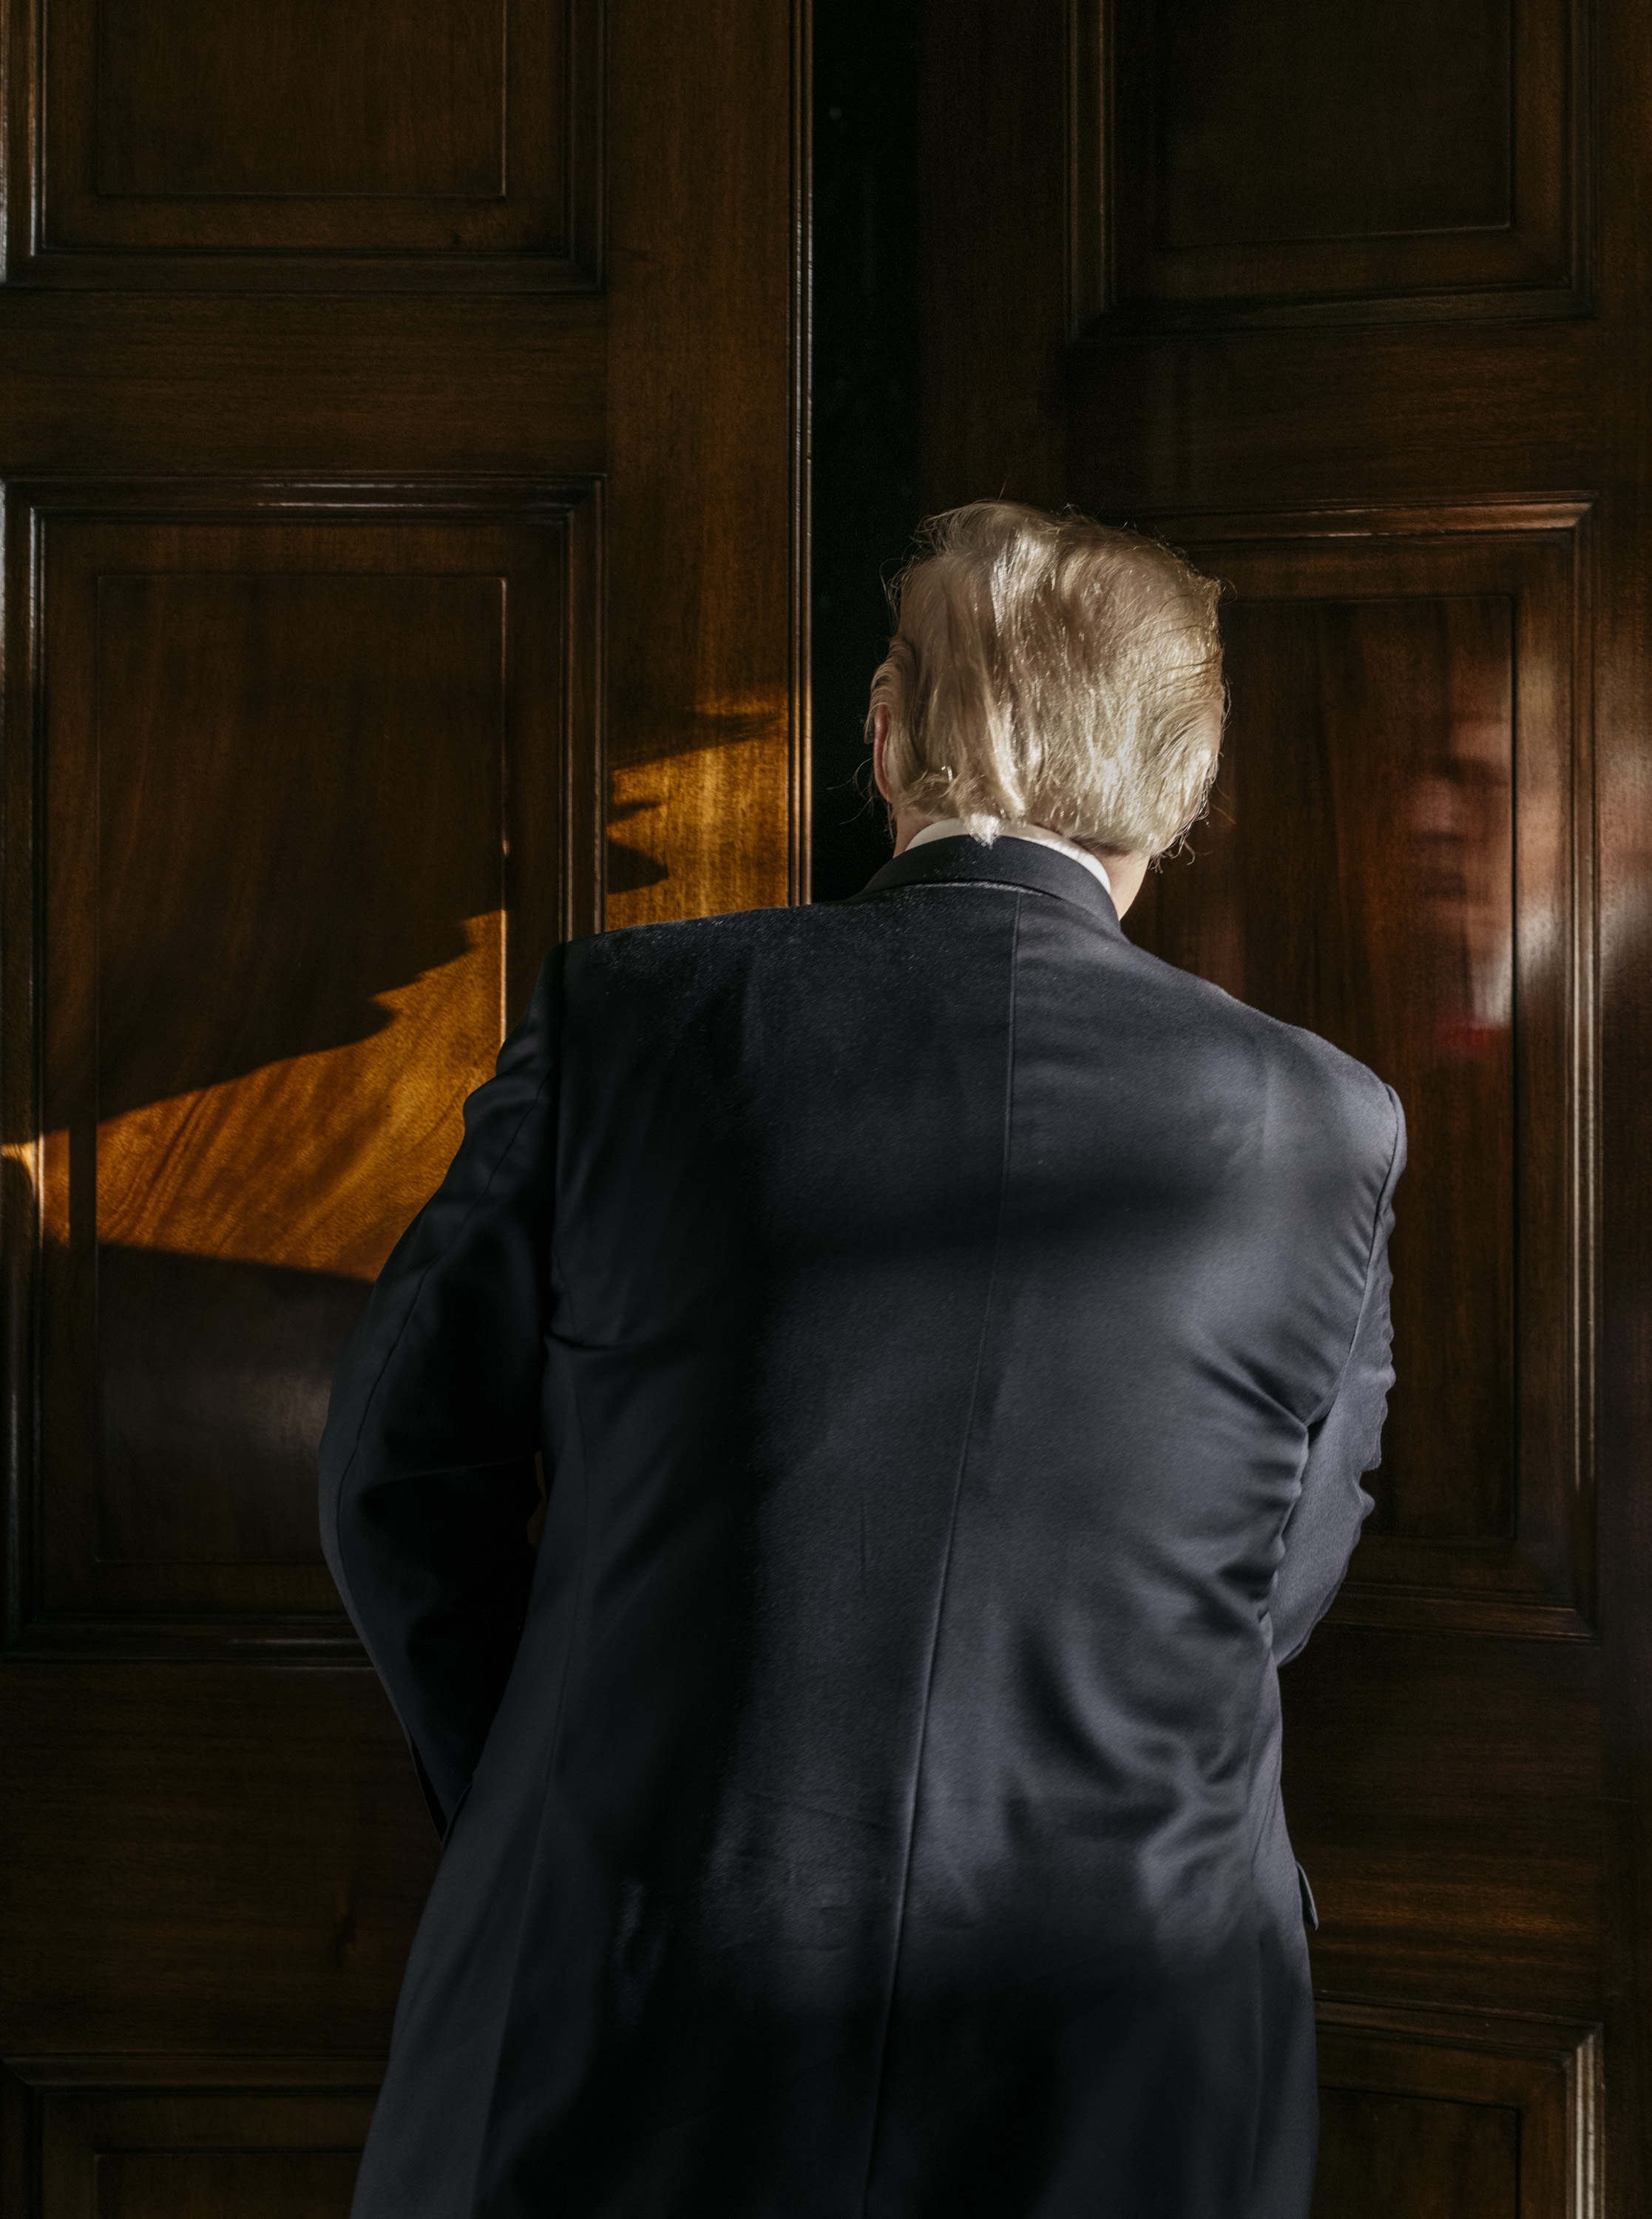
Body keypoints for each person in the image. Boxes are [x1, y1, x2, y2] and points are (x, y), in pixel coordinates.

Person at [319, 499, 1404, 2219]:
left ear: (888, 731)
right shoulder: (1327, 1124)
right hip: (1117, 2042)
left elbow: (396, 1480)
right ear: (1183, 783)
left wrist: (566, 1805)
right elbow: (1269, 1587)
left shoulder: (635, 1017)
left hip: (627, 2013)